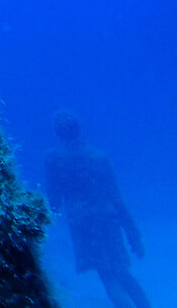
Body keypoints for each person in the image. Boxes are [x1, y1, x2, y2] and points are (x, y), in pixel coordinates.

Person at [45, 109, 151, 308]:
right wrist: (134, 235)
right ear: (80, 128)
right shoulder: (98, 157)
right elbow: (117, 199)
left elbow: (54, 202)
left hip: (82, 225)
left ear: (57, 132)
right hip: (107, 221)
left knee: (108, 278)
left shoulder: (53, 159)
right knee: (123, 273)